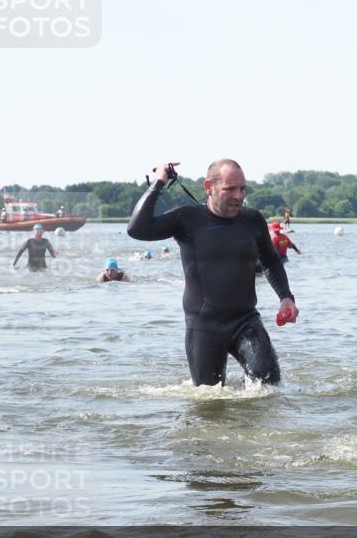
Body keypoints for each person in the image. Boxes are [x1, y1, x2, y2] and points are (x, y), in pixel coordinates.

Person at [127, 159, 298, 386]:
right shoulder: (187, 219)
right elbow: (137, 229)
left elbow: (271, 260)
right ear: (209, 187)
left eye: (242, 188)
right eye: (230, 189)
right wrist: (159, 182)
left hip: (245, 321)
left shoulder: (253, 220)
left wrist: (286, 297)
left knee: (269, 387)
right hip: (204, 327)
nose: (239, 195)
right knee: (208, 400)